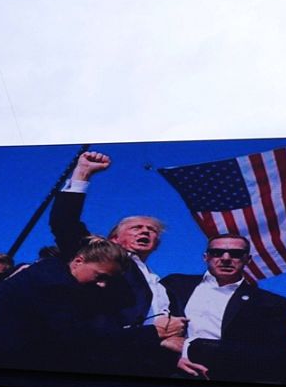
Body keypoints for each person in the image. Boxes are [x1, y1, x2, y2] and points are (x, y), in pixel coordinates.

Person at [0, 239, 134, 370]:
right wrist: (152, 335)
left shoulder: (55, 276)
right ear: (78, 261)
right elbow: (74, 335)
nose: (103, 285)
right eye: (99, 276)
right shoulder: (54, 284)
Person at [48, 150, 185, 354]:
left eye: (152, 230)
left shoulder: (161, 284)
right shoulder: (102, 260)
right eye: (136, 228)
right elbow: (65, 224)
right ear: (114, 239)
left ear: (157, 244)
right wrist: (82, 175)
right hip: (106, 353)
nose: (145, 231)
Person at [161, 234, 286, 379]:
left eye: (236, 254)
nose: (225, 258)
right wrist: (171, 360)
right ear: (206, 257)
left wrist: (190, 347)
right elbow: (145, 322)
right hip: (168, 374)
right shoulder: (175, 284)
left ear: (247, 259)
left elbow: (279, 353)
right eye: (217, 252)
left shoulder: (269, 303)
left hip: (230, 381)